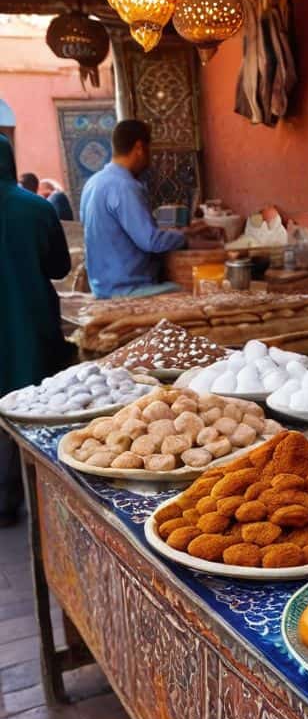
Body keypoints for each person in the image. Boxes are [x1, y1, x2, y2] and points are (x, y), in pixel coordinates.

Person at [0, 135, 72, 525]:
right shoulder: (36, 208)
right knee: (39, 409)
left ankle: (4, 503)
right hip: (30, 322)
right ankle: (52, 500)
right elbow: (60, 267)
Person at [80, 119, 191, 298]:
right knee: (191, 292)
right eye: (149, 150)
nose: (150, 157)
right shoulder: (124, 186)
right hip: (125, 290)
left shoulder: (93, 182)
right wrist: (186, 237)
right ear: (139, 148)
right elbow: (151, 241)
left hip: (101, 288)